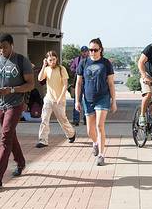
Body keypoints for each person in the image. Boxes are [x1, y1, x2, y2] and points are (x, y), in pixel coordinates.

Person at [0, 33, 34, 190]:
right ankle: (21, 162)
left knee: (5, 138)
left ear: (12, 45)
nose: (2, 50)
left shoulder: (21, 60)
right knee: (10, 135)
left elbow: (30, 84)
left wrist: (11, 89)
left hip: (15, 104)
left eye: (4, 47)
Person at [75, 38, 117, 166]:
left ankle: (101, 155)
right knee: (89, 130)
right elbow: (79, 83)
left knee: (99, 125)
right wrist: (77, 100)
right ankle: (95, 143)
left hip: (103, 97)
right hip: (88, 99)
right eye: (90, 50)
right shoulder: (83, 63)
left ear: (101, 50)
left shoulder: (106, 63)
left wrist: (113, 101)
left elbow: (111, 83)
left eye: (95, 50)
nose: (92, 52)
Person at [36, 51, 76, 148]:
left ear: (56, 59)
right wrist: (43, 66)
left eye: (54, 59)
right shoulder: (46, 69)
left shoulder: (61, 69)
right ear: (47, 60)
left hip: (59, 100)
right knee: (44, 119)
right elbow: (40, 78)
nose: (52, 61)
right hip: (48, 99)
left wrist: (60, 97)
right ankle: (43, 140)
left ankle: (71, 134)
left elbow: (65, 85)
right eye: (50, 60)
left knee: (62, 120)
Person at [69, 46, 89, 126]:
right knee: (77, 101)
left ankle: (86, 120)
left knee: (87, 102)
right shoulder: (77, 59)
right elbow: (71, 68)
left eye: (85, 51)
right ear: (81, 52)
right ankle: (76, 120)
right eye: (83, 51)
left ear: (88, 52)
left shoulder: (90, 60)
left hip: (87, 83)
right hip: (78, 82)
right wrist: (78, 70)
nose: (84, 53)